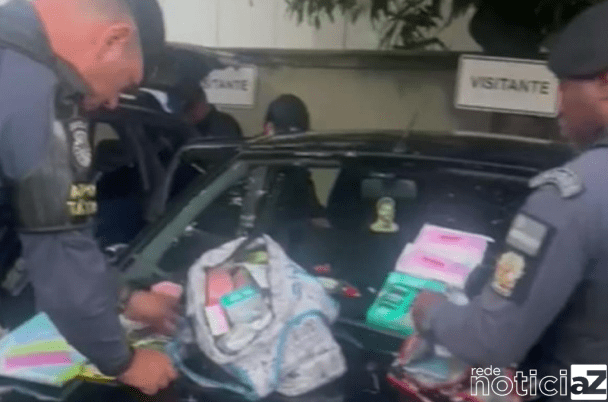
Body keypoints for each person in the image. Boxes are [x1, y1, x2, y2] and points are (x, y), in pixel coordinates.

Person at [411, 2, 608, 399]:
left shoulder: (571, 198)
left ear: (605, 83)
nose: (558, 106)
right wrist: (497, 381)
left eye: (565, 87)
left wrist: (429, 311)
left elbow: (489, 339)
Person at [0, 0, 178, 395]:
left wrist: (124, 296)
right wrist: (125, 362)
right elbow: (61, 255)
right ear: (114, 40)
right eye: (126, 83)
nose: (114, 102)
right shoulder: (38, 94)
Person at [177, 80, 243, 140]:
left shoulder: (224, 124)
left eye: (191, 106)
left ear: (203, 102)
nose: (188, 112)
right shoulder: (183, 127)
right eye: (185, 108)